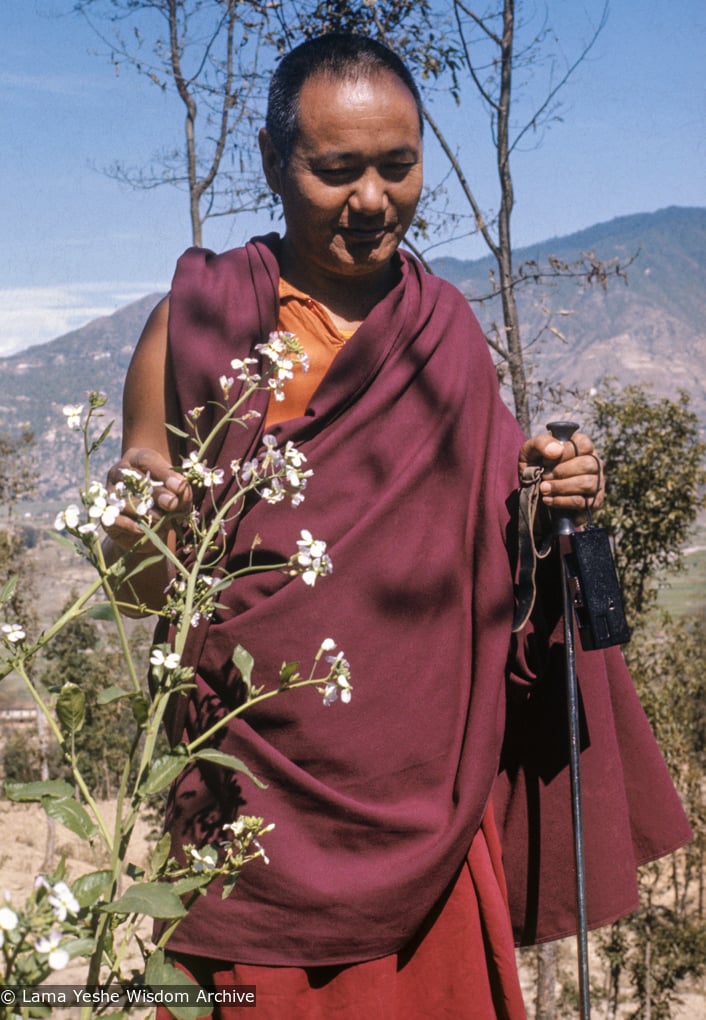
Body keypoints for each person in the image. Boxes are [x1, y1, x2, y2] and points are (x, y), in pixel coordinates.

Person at [104, 34, 691, 1020]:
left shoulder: (445, 338)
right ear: (271, 163)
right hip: (245, 814)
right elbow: (139, 587)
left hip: (422, 813)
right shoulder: (197, 324)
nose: (370, 200)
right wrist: (134, 527)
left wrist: (555, 494)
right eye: (335, 171)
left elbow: (500, 532)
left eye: (395, 165)